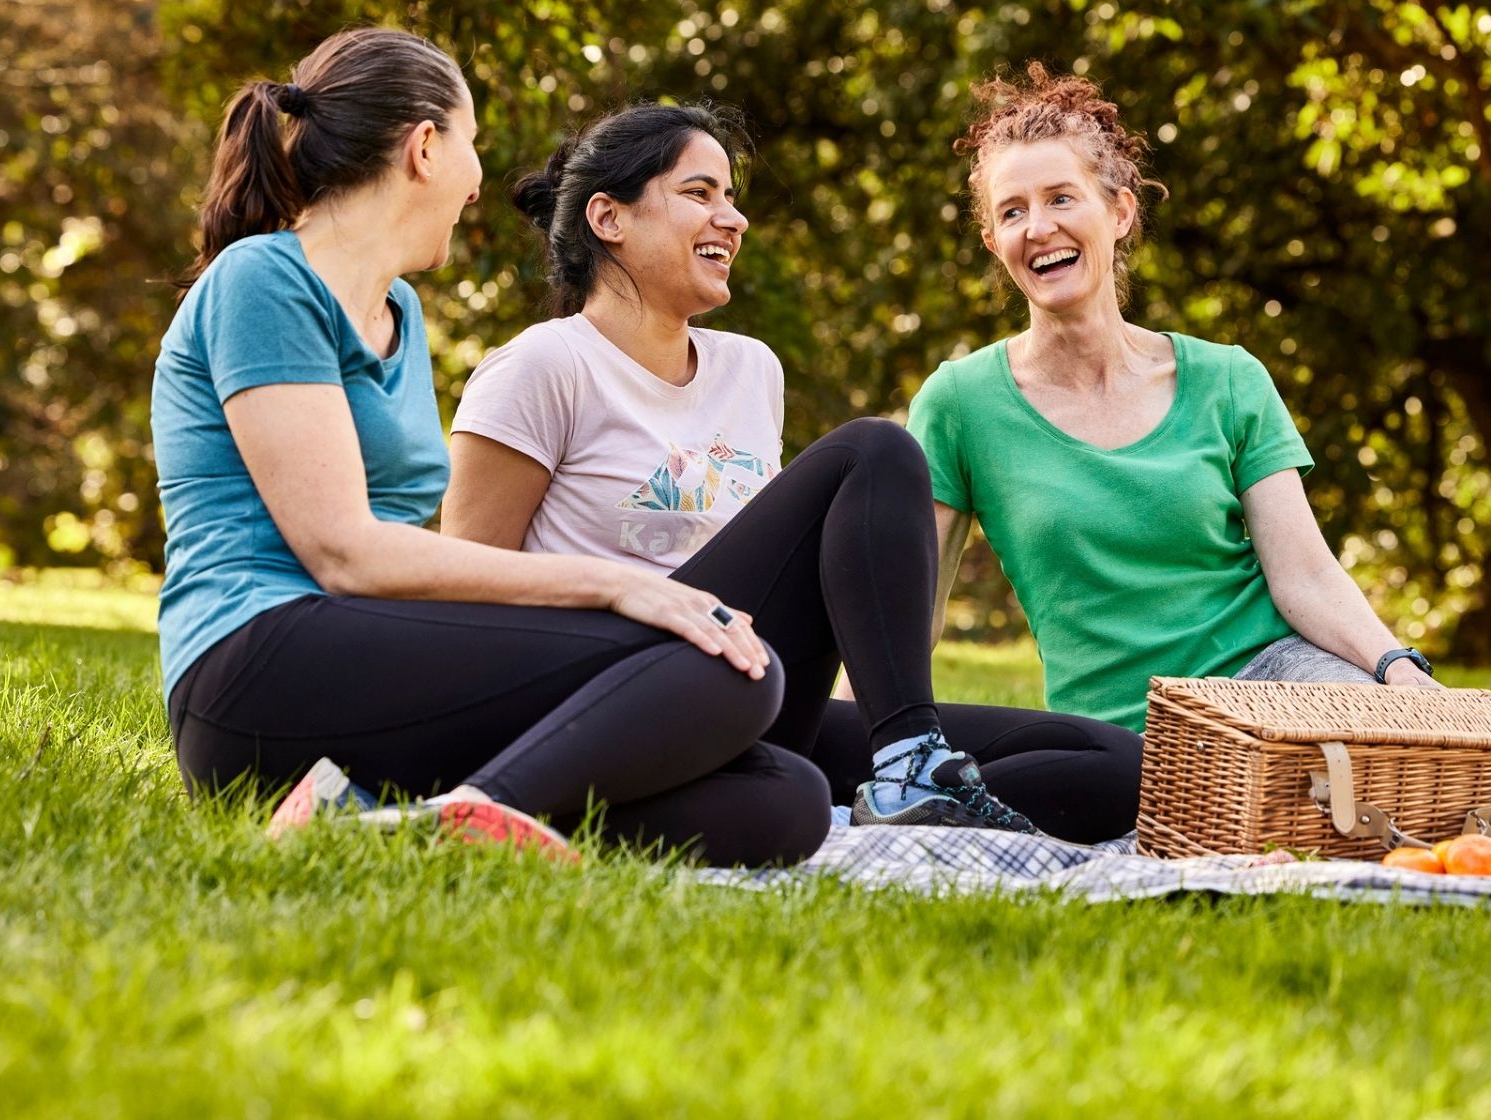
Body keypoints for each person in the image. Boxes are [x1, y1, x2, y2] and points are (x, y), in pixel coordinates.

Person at [906, 63, 1491, 857]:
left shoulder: (1226, 379)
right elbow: (911, 602)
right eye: (1011, 213)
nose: (1039, 229)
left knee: (1386, 755)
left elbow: (1305, 576)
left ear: (1119, 212)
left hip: (1278, 676)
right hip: (1127, 731)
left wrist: (1399, 671)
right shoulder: (961, 404)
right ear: (993, 243)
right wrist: (877, 733)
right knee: (1300, 820)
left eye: (1062, 199)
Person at [155, 27, 841, 868]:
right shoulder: (264, 279)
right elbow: (342, 552)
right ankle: (479, 811)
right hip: (255, 668)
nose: (480, 185)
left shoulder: (398, 311)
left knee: (785, 799)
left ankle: (394, 827)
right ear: (426, 148)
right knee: (733, 664)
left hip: (371, 667)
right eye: (473, 145)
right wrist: (621, 588)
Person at [438, 101, 1142, 845]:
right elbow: (470, 599)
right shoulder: (543, 367)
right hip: (611, 698)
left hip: (753, 695)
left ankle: (899, 790)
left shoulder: (750, 370)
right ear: (609, 219)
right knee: (876, 452)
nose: (732, 219)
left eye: (731, 198)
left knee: (1113, 763)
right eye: (700, 193)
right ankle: (906, 764)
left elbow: (780, 581)